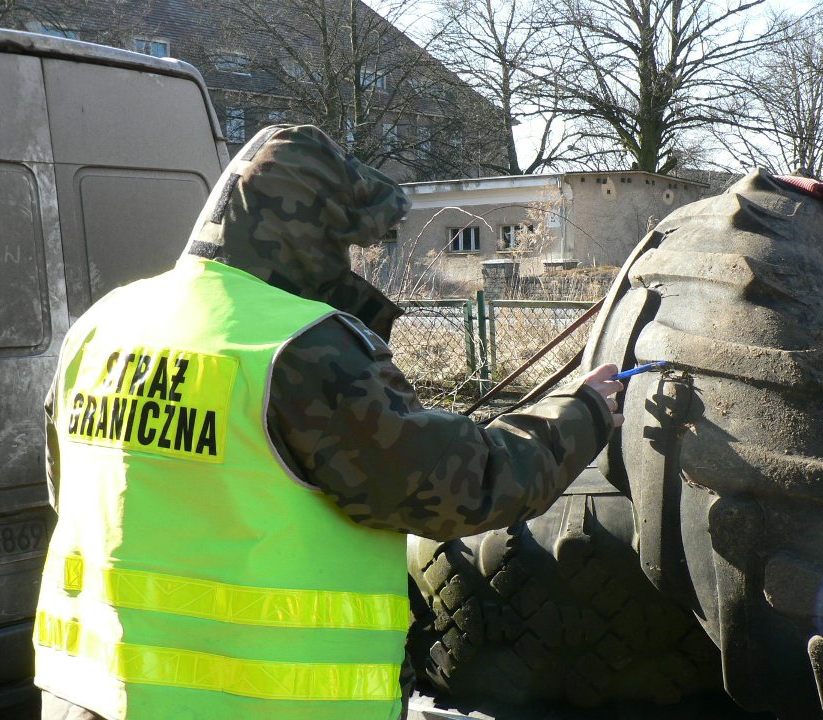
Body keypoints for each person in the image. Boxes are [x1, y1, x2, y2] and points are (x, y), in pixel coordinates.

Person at [34, 125, 624, 720]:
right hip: (259, 705)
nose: (356, 262)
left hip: (88, 692)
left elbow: (75, 493)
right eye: (348, 244)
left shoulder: (103, 323)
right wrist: (584, 413)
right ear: (310, 234)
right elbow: (461, 487)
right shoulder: (299, 347)